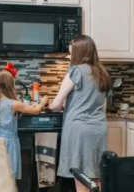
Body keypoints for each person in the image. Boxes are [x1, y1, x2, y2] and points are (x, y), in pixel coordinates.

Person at [48, 35, 111, 192]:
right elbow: (101, 105)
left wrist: (49, 105)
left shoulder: (75, 71)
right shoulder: (102, 72)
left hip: (79, 129)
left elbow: (56, 104)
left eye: (71, 51)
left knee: (81, 176)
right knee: (96, 176)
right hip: (99, 128)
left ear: (79, 52)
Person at [0, 63, 49, 180]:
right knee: (10, 176)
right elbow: (35, 111)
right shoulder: (14, 104)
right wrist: (43, 101)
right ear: (9, 85)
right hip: (9, 145)